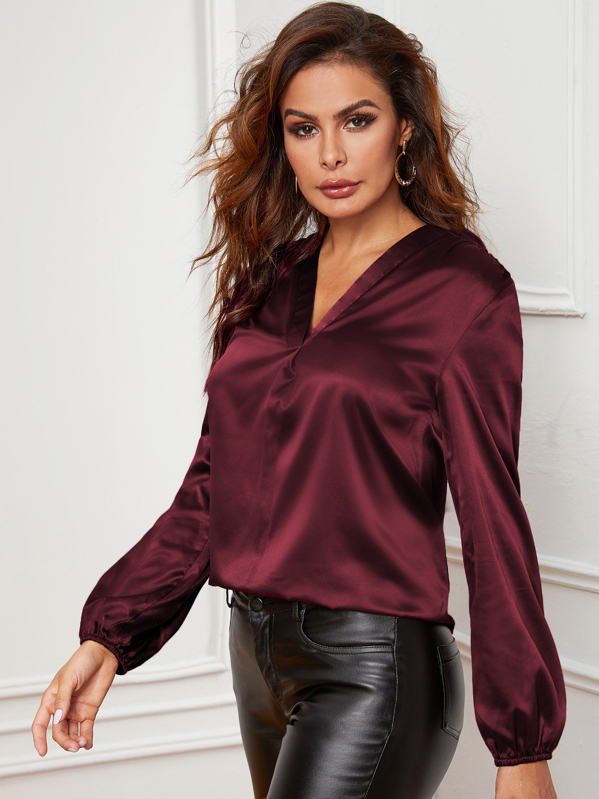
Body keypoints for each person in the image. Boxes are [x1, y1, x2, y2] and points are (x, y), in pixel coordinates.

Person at [31, 2, 567, 797]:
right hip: (255, 660)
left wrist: (520, 746)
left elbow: (492, 516)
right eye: (303, 128)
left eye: (357, 120)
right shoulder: (270, 281)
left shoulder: (460, 287)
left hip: (371, 667)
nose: (330, 154)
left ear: (405, 128)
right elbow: (212, 488)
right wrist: (109, 633)